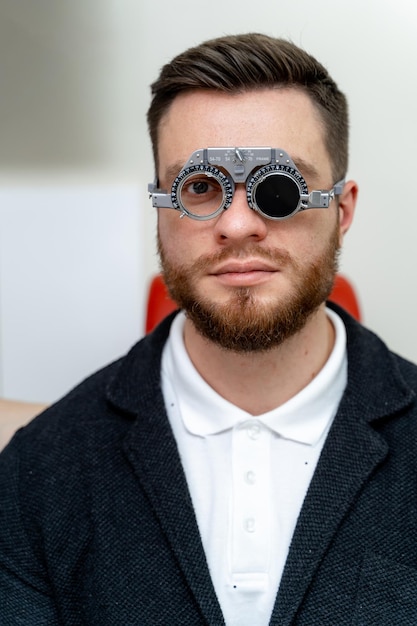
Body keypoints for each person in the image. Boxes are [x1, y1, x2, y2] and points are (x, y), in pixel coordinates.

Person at [1, 32, 417, 626]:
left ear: (342, 211)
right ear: (161, 212)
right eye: (200, 188)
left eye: (279, 188)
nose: (239, 224)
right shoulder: (36, 473)